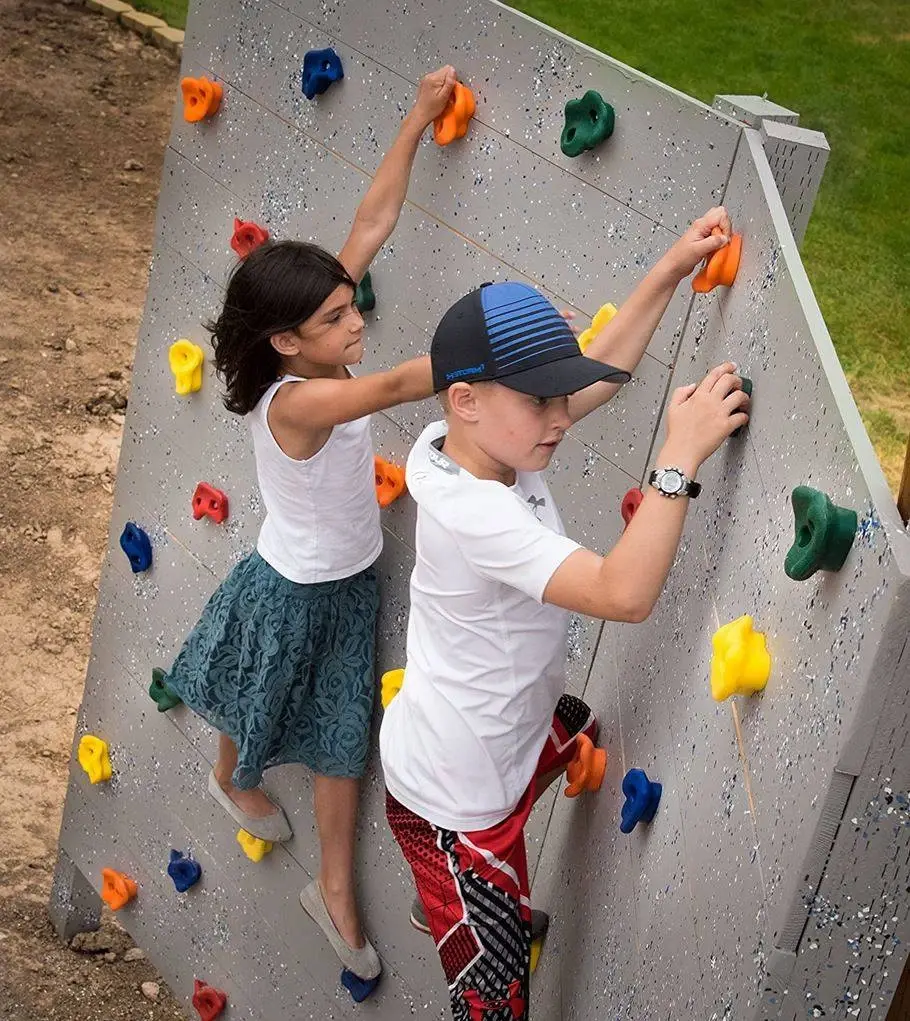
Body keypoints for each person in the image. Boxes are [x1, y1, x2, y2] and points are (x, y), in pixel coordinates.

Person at [379, 208, 750, 1019]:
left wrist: (669, 268)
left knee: (578, 722)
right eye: (544, 398)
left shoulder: (473, 437)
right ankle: (456, 906)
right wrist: (678, 459)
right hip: (457, 814)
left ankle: (458, 906)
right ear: (469, 398)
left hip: (486, 734)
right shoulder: (477, 511)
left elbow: (594, 374)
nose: (562, 415)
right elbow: (624, 594)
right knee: (497, 1004)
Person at [156, 65, 458, 987]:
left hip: (344, 577)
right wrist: (507, 335)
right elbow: (403, 382)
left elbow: (368, 225)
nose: (353, 315)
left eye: (347, 302)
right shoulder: (300, 401)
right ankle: (231, 777)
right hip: (296, 586)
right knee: (258, 695)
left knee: (337, 736)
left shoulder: (308, 330)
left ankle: (332, 887)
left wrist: (415, 118)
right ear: (289, 340)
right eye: (337, 315)